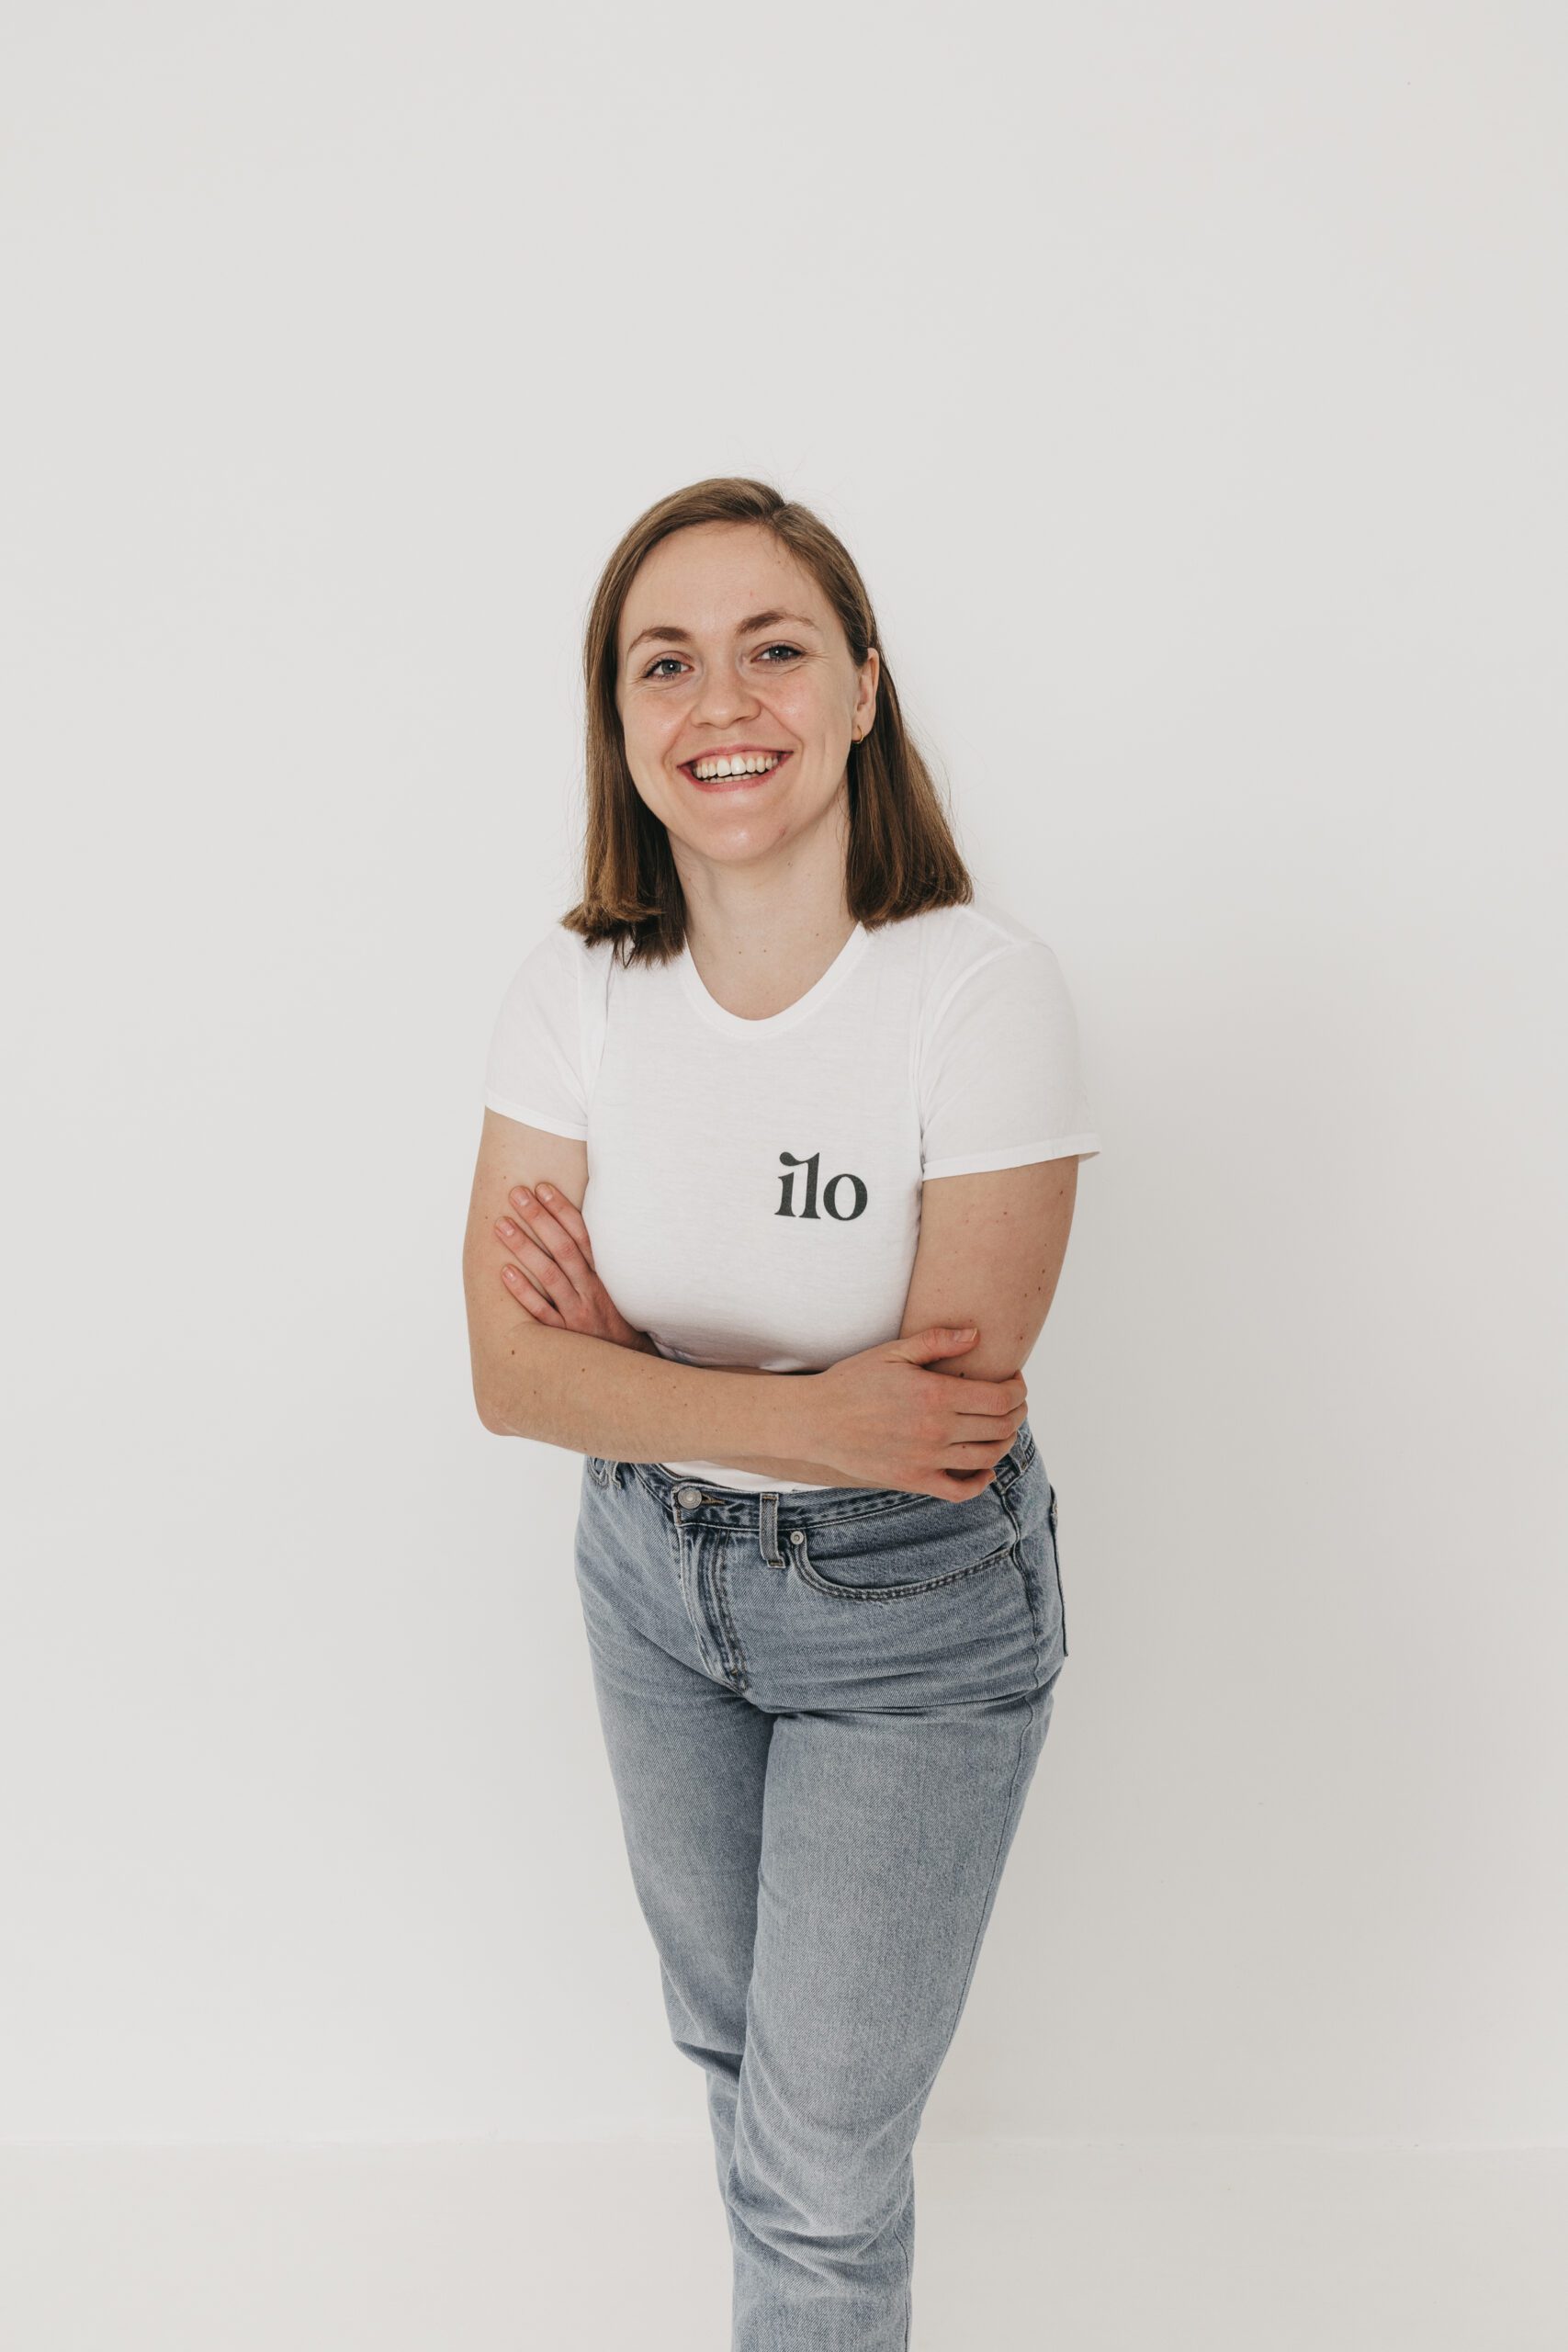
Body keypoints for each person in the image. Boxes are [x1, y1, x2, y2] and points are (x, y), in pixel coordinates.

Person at [461, 475, 1100, 2348]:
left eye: (771, 648)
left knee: (816, 2165)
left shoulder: (973, 992)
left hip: (906, 1611)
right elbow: (510, 1376)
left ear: (857, 692)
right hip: (648, 1579)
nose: (716, 699)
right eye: (663, 661)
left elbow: (931, 1424)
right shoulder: (576, 985)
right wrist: (769, 1399)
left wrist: (639, 1366)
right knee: (743, 2071)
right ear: (619, 721)